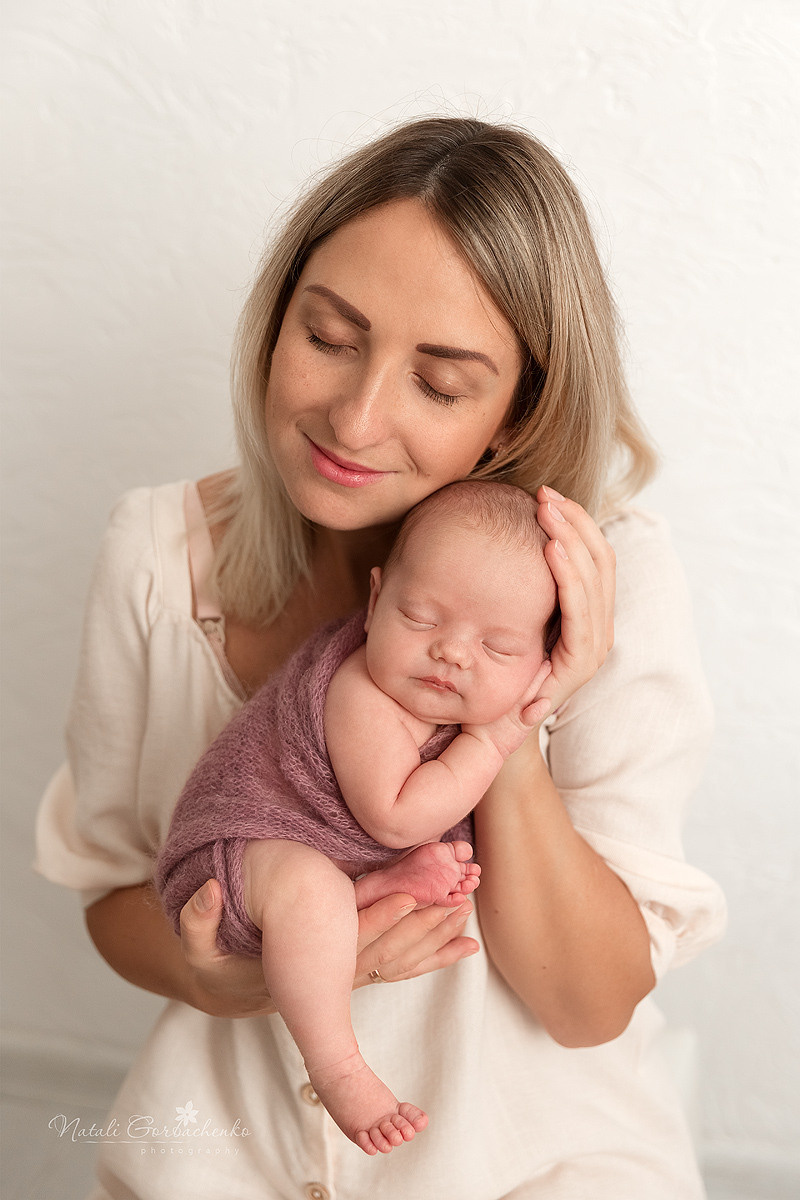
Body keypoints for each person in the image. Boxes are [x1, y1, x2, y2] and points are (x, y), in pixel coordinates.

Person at [35, 116, 726, 1198]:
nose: (353, 418)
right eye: (326, 336)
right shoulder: (158, 557)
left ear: (513, 414)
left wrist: (518, 718)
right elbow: (112, 891)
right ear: (274, 324)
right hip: (219, 1154)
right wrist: (220, 977)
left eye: (438, 385)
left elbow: (587, 1006)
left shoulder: (604, 580)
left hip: (532, 1164)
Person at [155, 480, 558, 1156]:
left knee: (320, 890)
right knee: (309, 888)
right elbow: (397, 817)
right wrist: (491, 739)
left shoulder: (434, 696)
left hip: (305, 868)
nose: (452, 653)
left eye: (498, 648)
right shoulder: (361, 691)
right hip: (235, 858)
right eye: (423, 618)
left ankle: (363, 894)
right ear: (374, 603)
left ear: (545, 663)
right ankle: (338, 1064)